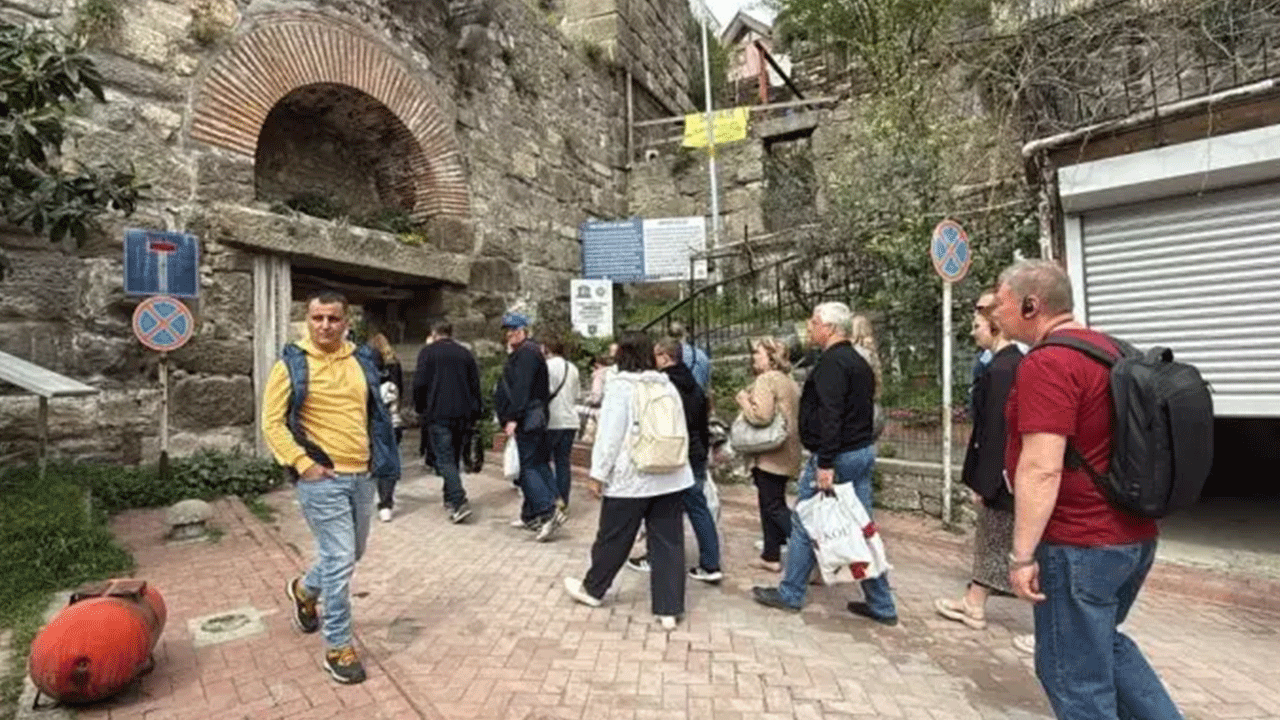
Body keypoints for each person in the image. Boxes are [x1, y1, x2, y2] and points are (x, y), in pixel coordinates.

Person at [991, 259, 1182, 720]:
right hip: (1133, 536)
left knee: (1073, 677)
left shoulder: (1050, 363)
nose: (994, 311)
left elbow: (1041, 468)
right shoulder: (1114, 350)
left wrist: (1021, 555)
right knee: (1102, 646)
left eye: (1001, 302)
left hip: (1079, 543)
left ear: (1031, 305)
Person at [261, 290, 399, 685]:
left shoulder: (361, 359)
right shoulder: (291, 365)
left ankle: (305, 591)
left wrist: (380, 457)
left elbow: (372, 412)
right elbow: (272, 423)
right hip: (323, 478)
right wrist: (302, 464)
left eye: (333, 319)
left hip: (362, 476)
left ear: (346, 321)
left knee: (351, 553)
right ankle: (338, 646)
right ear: (308, 319)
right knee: (340, 560)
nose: (325, 326)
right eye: (318, 318)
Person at [751, 302, 898, 625]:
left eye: (815, 322)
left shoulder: (833, 364)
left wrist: (826, 462)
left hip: (839, 455)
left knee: (804, 520)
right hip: (860, 451)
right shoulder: (858, 362)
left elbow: (832, 414)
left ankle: (790, 593)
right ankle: (882, 604)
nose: (810, 327)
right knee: (864, 529)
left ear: (830, 327)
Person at [562, 331, 694, 630]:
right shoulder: (666, 384)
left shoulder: (620, 387)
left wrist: (598, 474)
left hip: (632, 475)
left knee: (614, 536)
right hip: (671, 474)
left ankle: (594, 589)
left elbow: (609, 436)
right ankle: (669, 608)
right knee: (669, 541)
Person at [934, 295, 1031, 650]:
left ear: (995, 327)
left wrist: (984, 480)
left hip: (1001, 474)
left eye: (977, 327)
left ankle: (977, 605)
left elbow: (995, 431)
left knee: (998, 538)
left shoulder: (1005, 369)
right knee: (994, 539)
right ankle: (974, 601)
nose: (973, 333)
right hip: (1002, 472)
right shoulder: (1005, 365)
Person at [626, 337, 723, 583]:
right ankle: (711, 563)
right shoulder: (696, 386)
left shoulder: (664, 386)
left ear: (665, 357)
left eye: (656, 356)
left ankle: (655, 557)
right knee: (698, 508)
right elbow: (703, 423)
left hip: (672, 453)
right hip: (696, 451)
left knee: (660, 508)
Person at [494, 311, 564, 541]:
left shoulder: (525, 354)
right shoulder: (530, 352)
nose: (510, 335)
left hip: (528, 419)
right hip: (535, 417)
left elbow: (521, 388)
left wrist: (513, 417)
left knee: (528, 467)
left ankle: (546, 510)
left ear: (523, 331)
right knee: (537, 463)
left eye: (514, 331)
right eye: (508, 331)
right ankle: (533, 513)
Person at [735, 336, 801, 573]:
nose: (754, 357)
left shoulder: (766, 379)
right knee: (770, 502)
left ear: (771, 357)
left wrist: (744, 401)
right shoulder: (788, 380)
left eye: (758, 353)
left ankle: (809, 550)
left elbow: (761, 416)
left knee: (773, 505)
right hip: (788, 451)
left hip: (770, 454)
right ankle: (770, 554)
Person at [413, 320, 483, 524]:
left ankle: (458, 501)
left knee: (444, 459)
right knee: (453, 456)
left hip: (438, 412)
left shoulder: (428, 353)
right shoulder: (465, 353)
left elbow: (419, 383)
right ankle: (450, 498)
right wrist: (476, 410)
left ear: (434, 333)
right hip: (463, 413)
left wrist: (420, 408)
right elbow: (474, 384)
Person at [543, 334, 582, 512]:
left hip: (553, 419)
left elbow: (545, 391)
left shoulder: (547, 366)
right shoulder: (572, 368)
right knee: (563, 462)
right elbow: (577, 394)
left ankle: (550, 496)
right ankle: (563, 500)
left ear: (547, 348)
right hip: (571, 419)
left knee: (543, 461)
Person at [367, 333, 403, 521]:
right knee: (389, 460)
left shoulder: (367, 368)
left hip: (373, 421)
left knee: (374, 459)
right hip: (394, 419)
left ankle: (376, 498)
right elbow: (401, 392)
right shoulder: (395, 366)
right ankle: (386, 502)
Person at [667, 321, 710, 392]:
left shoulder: (666, 356)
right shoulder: (701, 355)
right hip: (698, 398)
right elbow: (707, 384)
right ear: (686, 334)